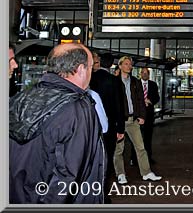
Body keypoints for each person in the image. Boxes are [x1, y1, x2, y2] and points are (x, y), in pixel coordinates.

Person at [9, 43, 105, 203]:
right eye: (90, 67)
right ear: (81, 69)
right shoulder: (77, 108)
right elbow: (68, 175)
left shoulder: (19, 99)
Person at [113, 56, 161, 184]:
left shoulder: (135, 82)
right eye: (127, 64)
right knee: (119, 150)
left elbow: (140, 100)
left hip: (133, 120)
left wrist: (142, 116)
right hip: (120, 121)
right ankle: (120, 174)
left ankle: (146, 173)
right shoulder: (114, 81)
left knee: (141, 147)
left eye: (130, 64)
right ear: (120, 65)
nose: (129, 66)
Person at [89, 51, 125, 202]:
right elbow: (119, 105)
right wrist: (120, 128)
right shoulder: (114, 80)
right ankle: (102, 194)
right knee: (106, 160)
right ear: (111, 64)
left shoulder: (89, 78)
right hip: (108, 127)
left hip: (90, 125)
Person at [139, 67, 160, 164]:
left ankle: (148, 158)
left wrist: (150, 101)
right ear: (140, 74)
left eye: (146, 73)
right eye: (143, 73)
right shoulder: (136, 84)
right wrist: (142, 102)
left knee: (148, 137)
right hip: (138, 115)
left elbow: (157, 97)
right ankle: (134, 158)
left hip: (149, 115)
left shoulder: (153, 84)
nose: (144, 74)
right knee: (137, 138)